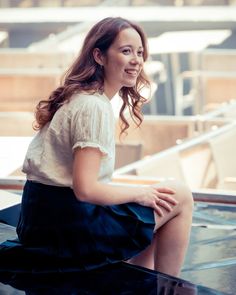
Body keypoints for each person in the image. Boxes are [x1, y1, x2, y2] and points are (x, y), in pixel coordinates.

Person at [15, 17, 193, 277]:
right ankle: (169, 288)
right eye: (125, 51)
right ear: (99, 56)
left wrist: (141, 192)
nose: (136, 60)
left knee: (154, 199)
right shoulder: (93, 107)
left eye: (140, 52)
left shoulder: (80, 98)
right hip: (67, 231)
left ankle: (142, 283)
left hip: (41, 222)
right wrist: (139, 194)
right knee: (180, 196)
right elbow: (85, 189)